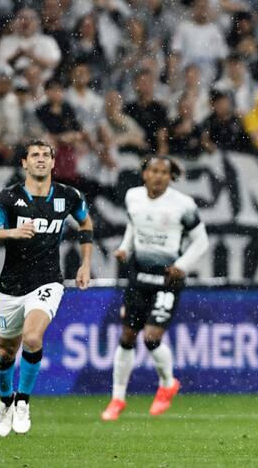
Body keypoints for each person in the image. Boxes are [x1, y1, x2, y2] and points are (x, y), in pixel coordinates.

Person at [0, 140, 94, 437]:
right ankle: (6, 402)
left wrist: (85, 263)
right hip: (11, 286)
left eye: (46, 155)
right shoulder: (9, 197)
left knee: (32, 336)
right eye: (34, 155)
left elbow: (85, 222)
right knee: (4, 352)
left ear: (54, 163)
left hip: (48, 280)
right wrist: (11, 232)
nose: (40, 159)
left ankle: (23, 401)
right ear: (24, 164)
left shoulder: (69, 196)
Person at [102, 156, 209, 421]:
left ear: (171, 176)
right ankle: (117, 399)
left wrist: (182, 265)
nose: (158, 176)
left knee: (151, 337)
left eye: (164, 172)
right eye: (154, 171)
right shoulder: (133, 197)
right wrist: (126, 247)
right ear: (144, 174)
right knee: (127, 336)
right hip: (139, 276)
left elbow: (201, 241)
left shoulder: (183, 205)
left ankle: (168, 383)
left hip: (167, 279)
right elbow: (133, 224)